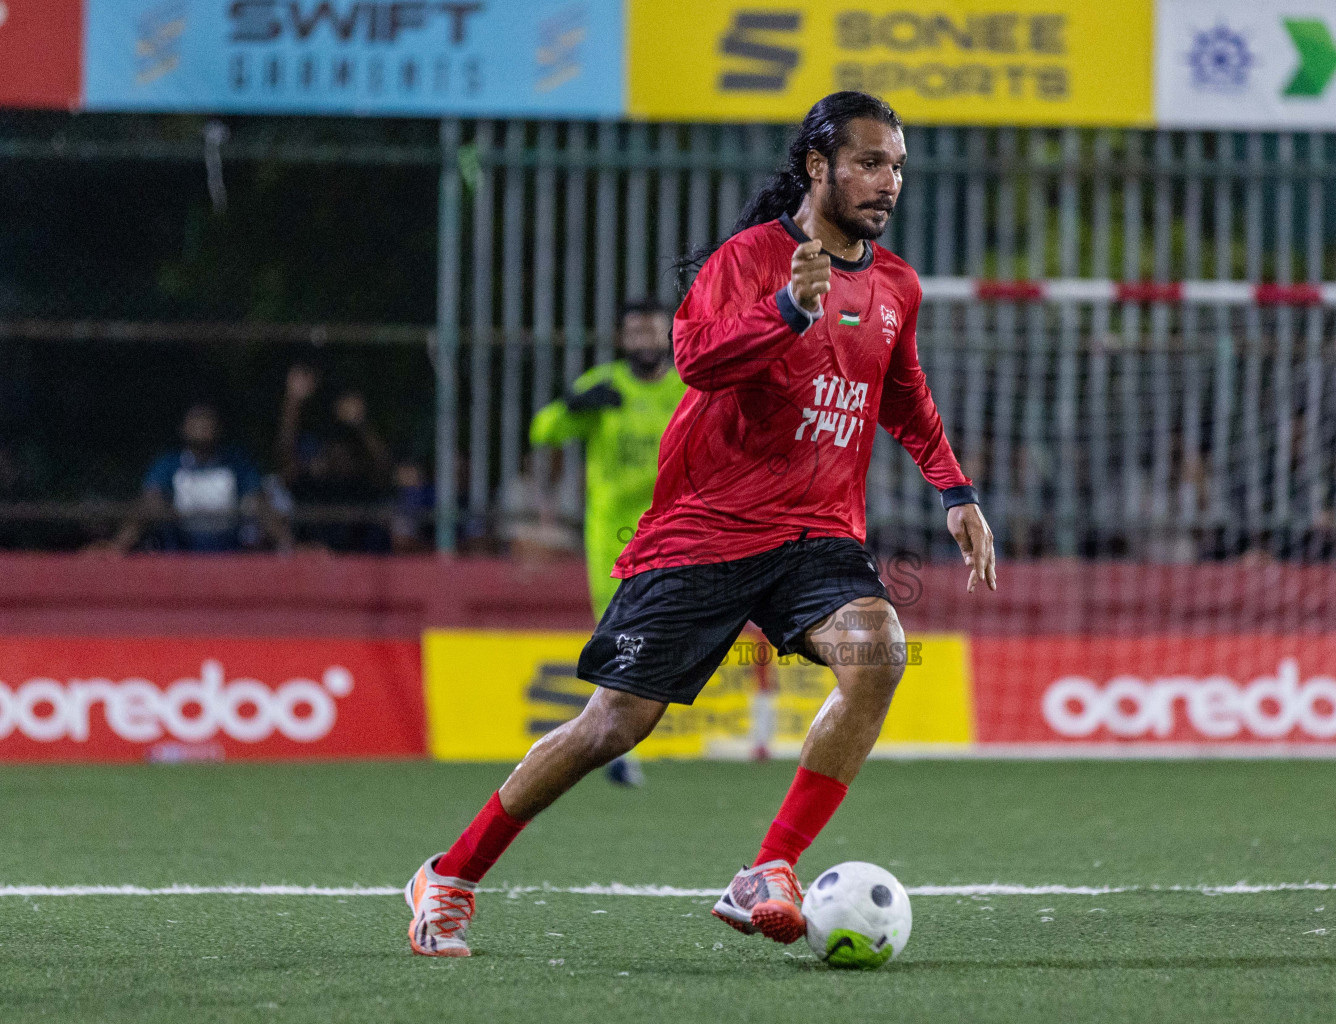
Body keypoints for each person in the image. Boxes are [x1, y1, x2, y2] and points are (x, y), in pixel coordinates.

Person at [405, 91, 996, 957]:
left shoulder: (896, 285)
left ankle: (768, 869)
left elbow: (902, 397)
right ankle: (450, 875)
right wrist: (788, 310)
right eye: (870, 162)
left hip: (816, 534)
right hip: (705, 531)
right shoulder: (753, 259)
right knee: (612, 726)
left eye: (897, 165)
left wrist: (955, 492)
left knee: (880, 651)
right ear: (818, 167)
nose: (887, 181)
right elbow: (695, 358)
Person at [528, 297, 688, 787]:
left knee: (670, 629)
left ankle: (625, 729)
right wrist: (574, 405)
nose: (643, 340)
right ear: (622, 340)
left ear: (667, 335)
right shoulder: (603, 385)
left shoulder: (687, 385)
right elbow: (543, 431)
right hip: (613, 533)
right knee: (619, 633)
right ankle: (617, 745)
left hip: (677, 525)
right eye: (634, 333)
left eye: (652, 331)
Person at [108, 403, 291, 553]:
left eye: (207, 421)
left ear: (218, 428)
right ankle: (115, 551)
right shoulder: (168, 464)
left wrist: (284, 539)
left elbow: (257, 500)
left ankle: (291, 549)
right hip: (179, 550)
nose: (202, 425)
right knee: (148, 504)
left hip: (229, 550)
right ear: (183, 428)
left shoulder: (237, 464)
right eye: (196, 420)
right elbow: (151, 497)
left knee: (258, 503)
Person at [277, 366, 393, 553]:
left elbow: (383, 467)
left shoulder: (359, 483)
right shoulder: (310, 481)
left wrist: (361, 424)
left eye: (343, 451)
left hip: (358, 559)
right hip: (314, 559)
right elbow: (286, 458)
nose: (337, 456)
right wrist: (293, 401)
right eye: (331, 450)